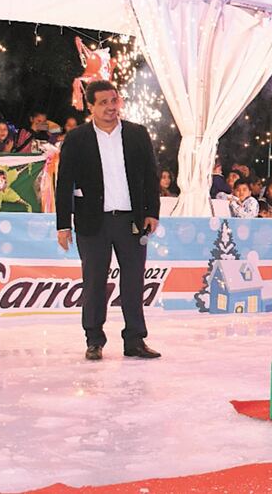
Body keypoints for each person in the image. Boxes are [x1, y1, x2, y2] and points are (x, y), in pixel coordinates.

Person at [55, 80, 161, 362]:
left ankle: (135, 340)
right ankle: (94, 339)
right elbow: (64, 182)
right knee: (94, 283)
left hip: (132, 221)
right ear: (90, 106)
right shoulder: (77, 138)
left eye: (114, 100)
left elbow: (151, 176)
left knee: (134, 281)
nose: (110, 107)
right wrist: (63, 224)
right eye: (103, 102)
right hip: (92, 222)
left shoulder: (138, 134)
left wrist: (152, 212)